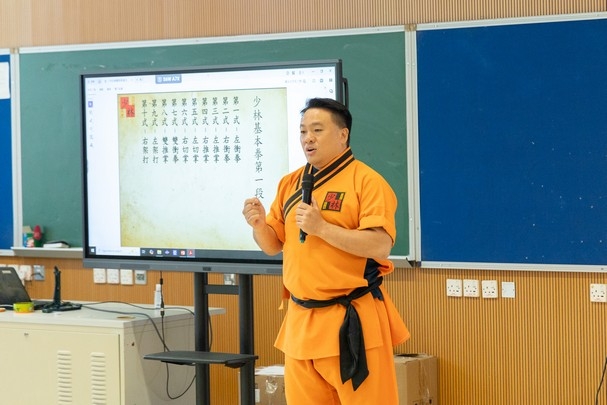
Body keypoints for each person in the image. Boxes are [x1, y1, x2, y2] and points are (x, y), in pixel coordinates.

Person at [242, 98, 410, 404]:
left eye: (317, 130)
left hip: (350, 322)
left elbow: (381, 245)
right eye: (303, 131)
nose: (308, 138)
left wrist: (322, 228)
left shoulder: (367, 182)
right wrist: (258, 225)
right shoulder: (291, 183)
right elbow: (272, 245)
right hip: (301, 323)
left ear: (343, 134)